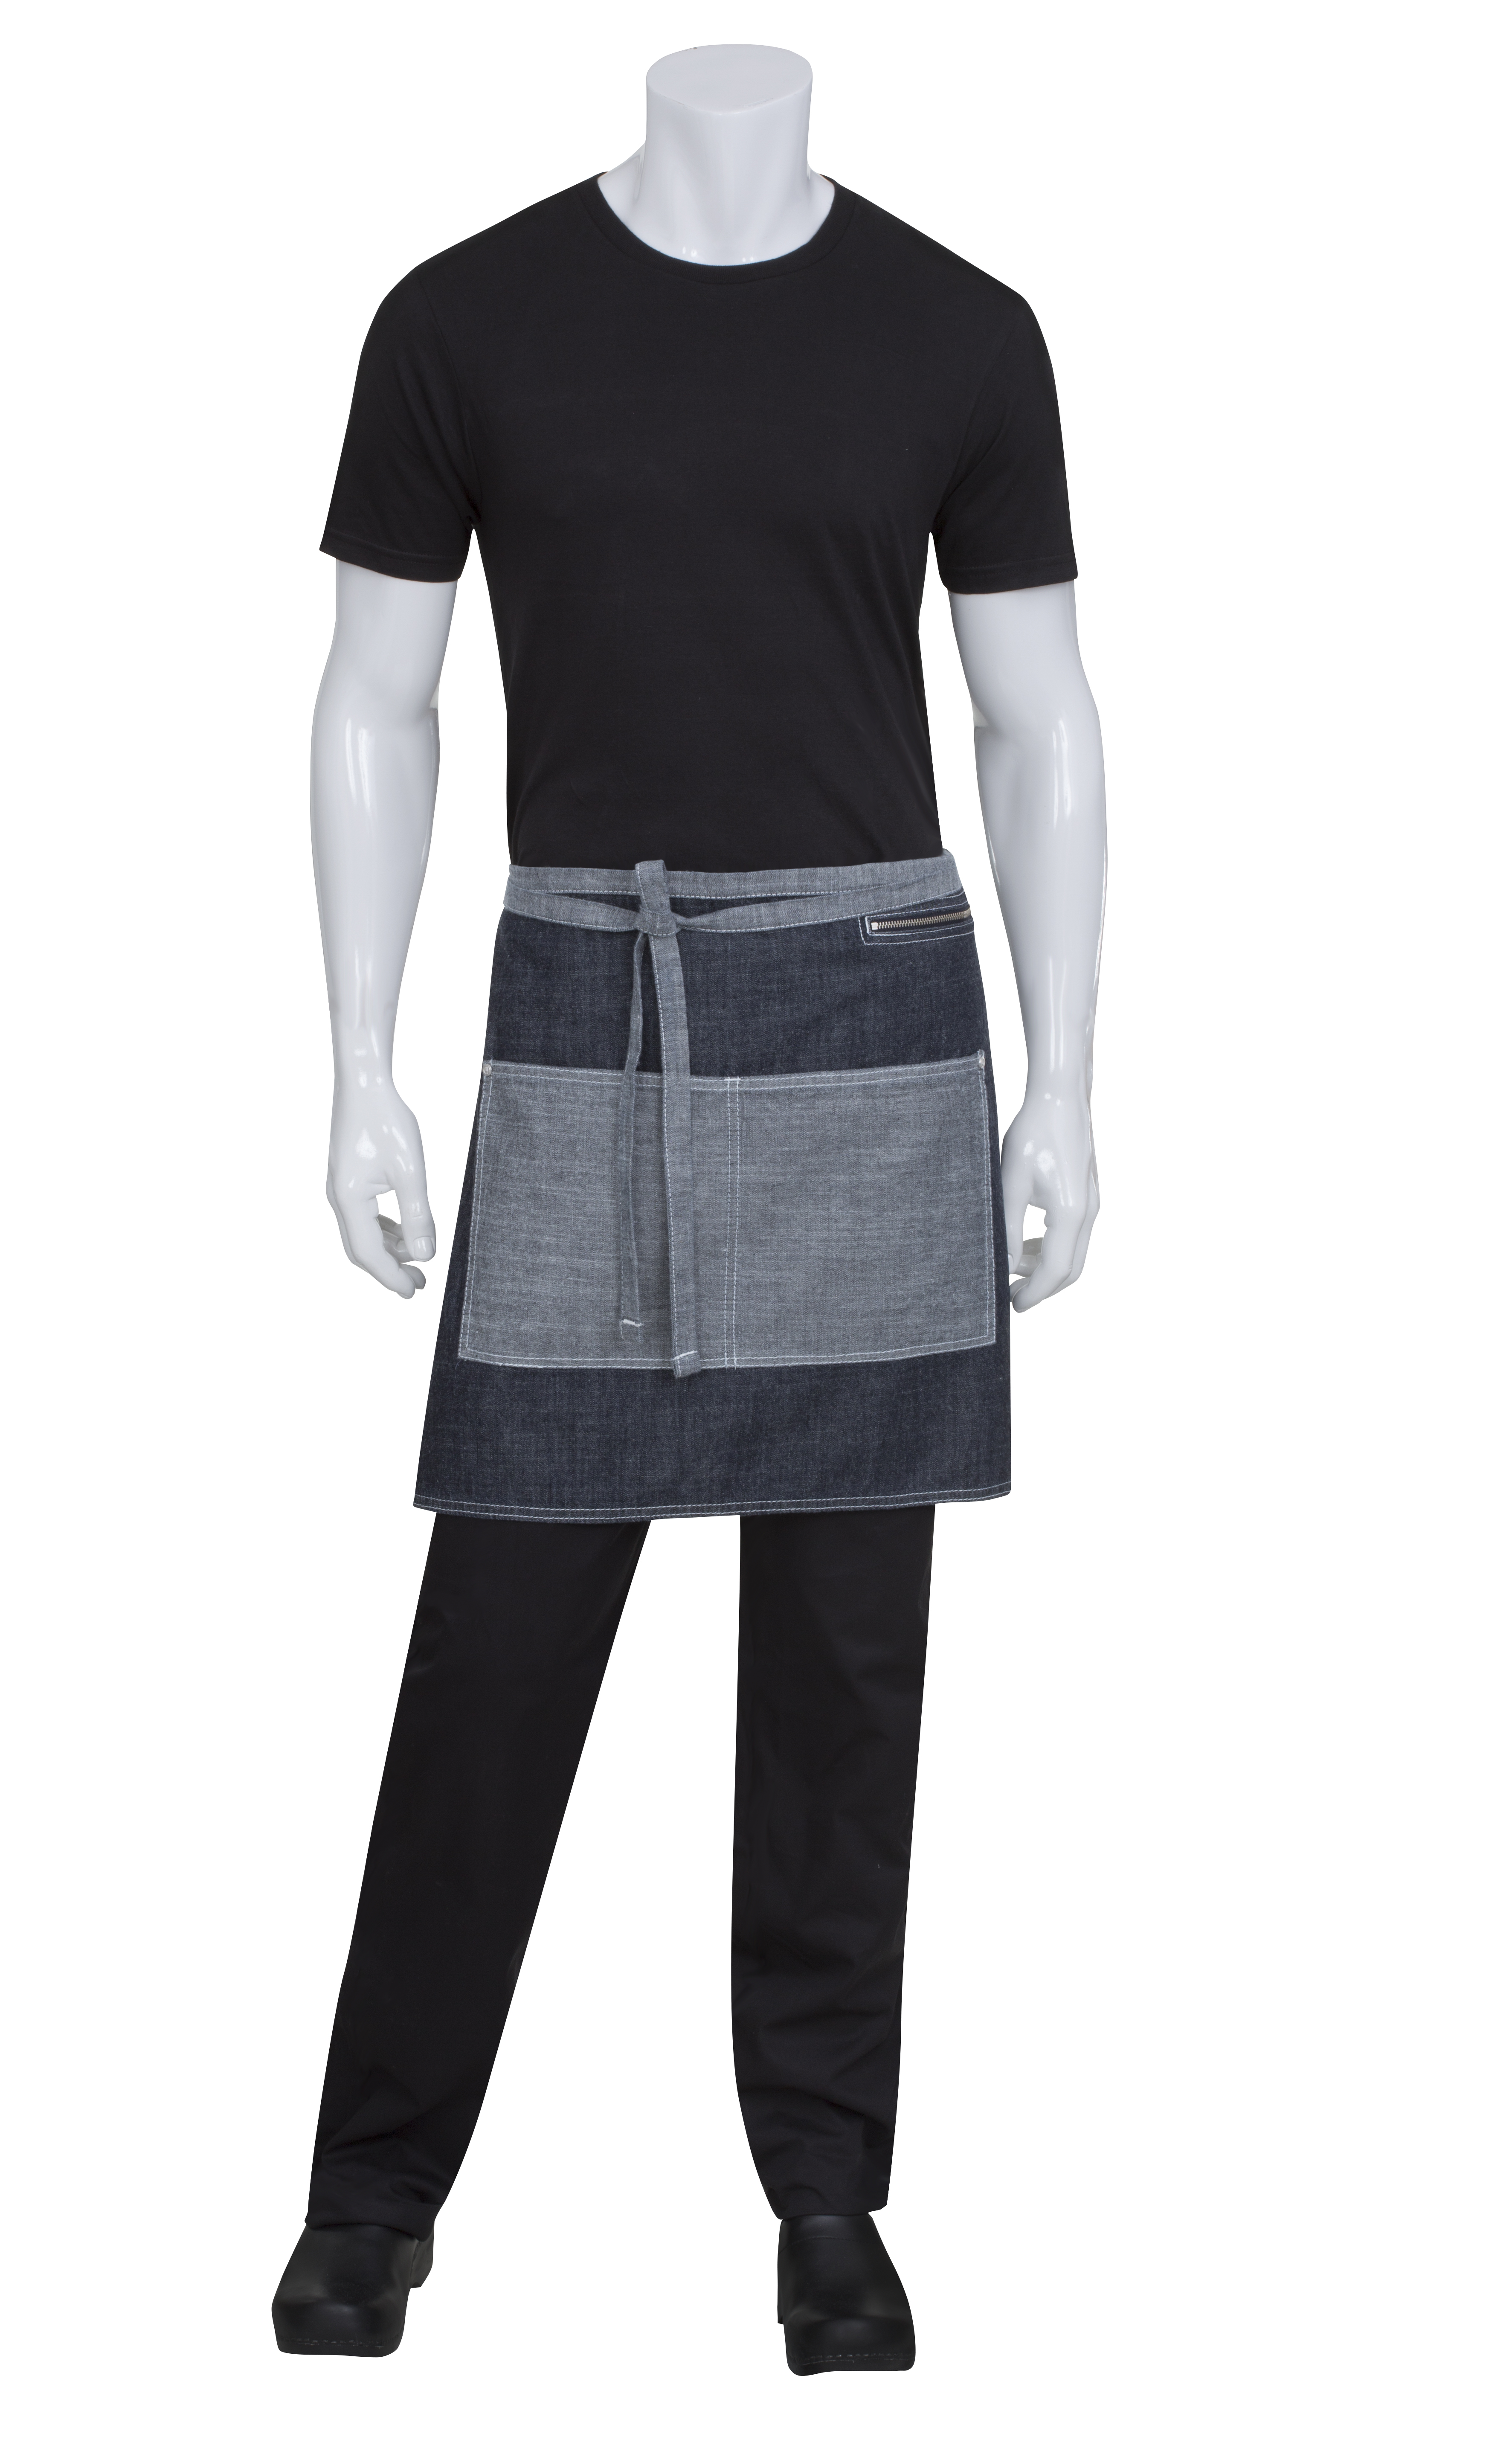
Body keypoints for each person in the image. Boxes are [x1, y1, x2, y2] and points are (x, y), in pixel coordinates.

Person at [273, 43, 1106, 2376]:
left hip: (868, 1003)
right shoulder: (462, 319)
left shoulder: (962, 332)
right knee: (500, 1643)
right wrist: (357, 1061)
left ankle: (829, 2201)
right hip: (591, 1005)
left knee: (848, 1657)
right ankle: (371, 2196)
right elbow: (374, 702)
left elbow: (1040, 720)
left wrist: (1066, 1083)